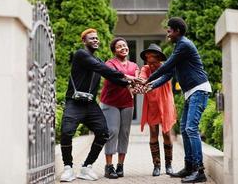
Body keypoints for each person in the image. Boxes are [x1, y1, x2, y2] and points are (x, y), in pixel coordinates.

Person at [60, 28, 136, 182]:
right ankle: (68, 168)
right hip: (74, 102)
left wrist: (131, 83)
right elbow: (102, 69)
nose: (95, 40)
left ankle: (86, 167)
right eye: (91, 38)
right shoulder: (81, 55)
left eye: (96, 38)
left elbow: (110, 76)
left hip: (90, 104)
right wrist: (126, 76)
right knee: (67, 132)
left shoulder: (99, 60)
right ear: (84, 41)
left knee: (103, 133)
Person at [142, 17, 212, 183]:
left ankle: (199, 170)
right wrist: (150, 86)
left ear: (177, 31)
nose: (167, 33)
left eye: (169, 30)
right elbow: (168, 74)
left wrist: (147, 79)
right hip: (191, 93)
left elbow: (166, 66)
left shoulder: (184, 45)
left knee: (191, 129)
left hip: (199, 89)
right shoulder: (179, 47)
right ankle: (189, 167)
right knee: (184, 128)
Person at [99, 37, 139, 179]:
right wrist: (130, 80)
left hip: (127, 103)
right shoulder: (109, 64)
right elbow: (115, 77)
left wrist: (137, 87)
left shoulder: (134, 66)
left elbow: (136, 83)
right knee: (112, 131)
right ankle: (109, 166)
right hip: (110, 102)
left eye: (125, 45)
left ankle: (120, 165)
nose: (123, 48)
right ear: (114, 50)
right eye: (119, 46)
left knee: (125, 133)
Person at [138, 43, 177, 177]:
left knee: (166, 133)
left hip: (165, 103)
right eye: (149, 62)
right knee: (153, 132)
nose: (152, 65)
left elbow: (162, 79)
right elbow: (142, 78)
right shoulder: (145, 68)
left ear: (159, 59)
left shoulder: (166, 68)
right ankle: (157, 165)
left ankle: (169, 164)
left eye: (154, 62)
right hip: (152, 104)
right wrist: (141, 82)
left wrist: (149, 82)